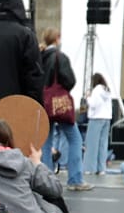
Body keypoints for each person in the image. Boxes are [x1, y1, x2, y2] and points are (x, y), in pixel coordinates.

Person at [37, 29, 89, 191]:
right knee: (75, 139)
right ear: (57, 39)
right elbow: (70, 80)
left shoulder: (40, 57)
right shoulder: (60, 57)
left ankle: (46, 180)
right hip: (59, 104)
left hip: (44, 103)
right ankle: (75, 179)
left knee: (45, 142)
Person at [83, 73, 114, 179]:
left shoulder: (96, 90)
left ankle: (89, 168)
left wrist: (88, 98)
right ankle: (102, 169)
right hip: (107, 118)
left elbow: (93, 104)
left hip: (96, 118)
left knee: (91, 144)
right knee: (103, 144)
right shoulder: (107, 90)